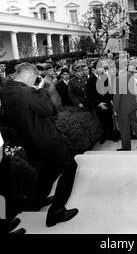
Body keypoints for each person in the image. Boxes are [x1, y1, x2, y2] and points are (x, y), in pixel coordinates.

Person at [0, 63, 78, 227]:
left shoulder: (6, 90)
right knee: (70, 167)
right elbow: (50, 110)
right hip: (46, 140)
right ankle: (56, 212)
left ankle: (38, 200)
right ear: (29, 75)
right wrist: (41, 88)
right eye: (35, 78)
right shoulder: (28, 92)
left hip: (29, 142)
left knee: (49, 169)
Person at [113, 61, 137, 151]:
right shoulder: (129, 75)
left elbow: (117, 96)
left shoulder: (118, 79)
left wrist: (114, 109)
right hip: (132, 105)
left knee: (124, 127)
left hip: (123, 108)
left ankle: (126, 147)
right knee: (135, 124)